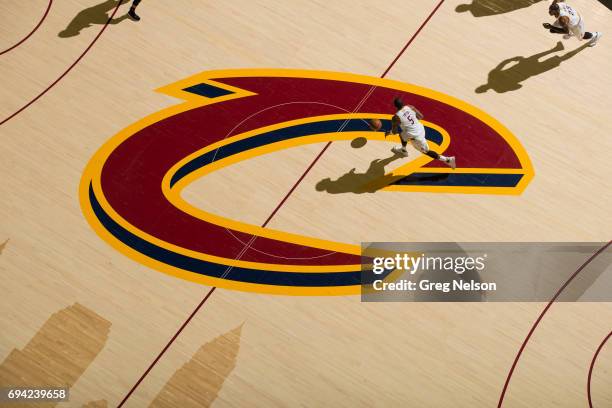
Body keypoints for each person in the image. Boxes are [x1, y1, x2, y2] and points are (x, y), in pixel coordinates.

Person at [386, 98, 456, 169]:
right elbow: (421, 116)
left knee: (426, 152)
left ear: (395, 106)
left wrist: (390, 132)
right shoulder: (410, 107)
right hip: (420, 128)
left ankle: (448, 160)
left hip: (416, 137)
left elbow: (394, 132)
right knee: (402, 135)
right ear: (403, 103)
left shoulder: (395, 118)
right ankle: (403, 150)